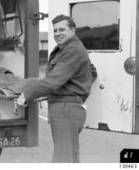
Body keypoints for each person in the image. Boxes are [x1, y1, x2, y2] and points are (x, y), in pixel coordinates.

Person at [16, 14, 94, 163]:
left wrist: (27, 94)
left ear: (73, 30)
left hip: (66, 109)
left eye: (62, 30)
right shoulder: (66, 48)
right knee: (70, 158)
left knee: (63, 160)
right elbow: (89, 72)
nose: (57, 34)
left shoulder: (73, 50)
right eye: (55, 30)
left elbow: (53, 81)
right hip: (65, 107)